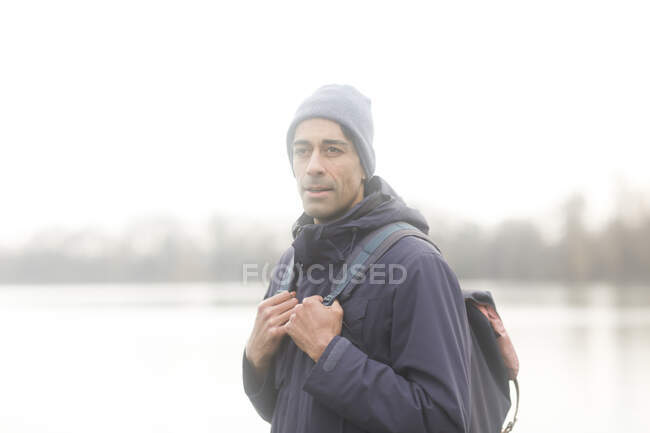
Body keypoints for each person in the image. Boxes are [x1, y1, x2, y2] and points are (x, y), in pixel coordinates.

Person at [242, 84, 472, 433]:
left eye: (332, 150)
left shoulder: (417, 265)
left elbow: (445, 422)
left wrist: (329, 352)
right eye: (302, 151)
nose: (314, 166)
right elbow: (283, 411)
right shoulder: (290, 264)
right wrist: (255, 360)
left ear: (364, 164)